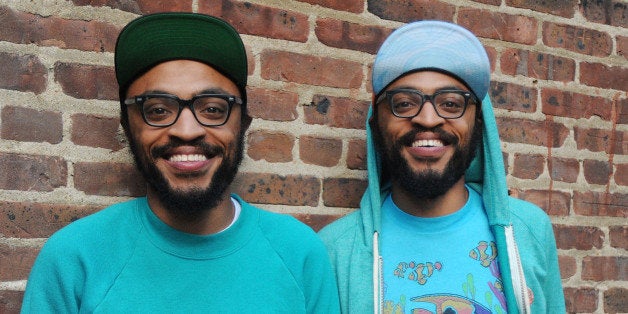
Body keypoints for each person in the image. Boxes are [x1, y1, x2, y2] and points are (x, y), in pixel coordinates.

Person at [21, 12, 339, 313]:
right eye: (157, 110)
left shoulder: (300, 254)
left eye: (213, 109)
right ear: (127, 125)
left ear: (243, 124)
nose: (186, 131)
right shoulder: (74, 260)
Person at [319, 20, 565, 313]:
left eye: (450, 103)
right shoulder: (333, 251)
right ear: (376, 122)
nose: (427, 118)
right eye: (404, 103)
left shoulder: (529, 230)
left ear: (478, 124)